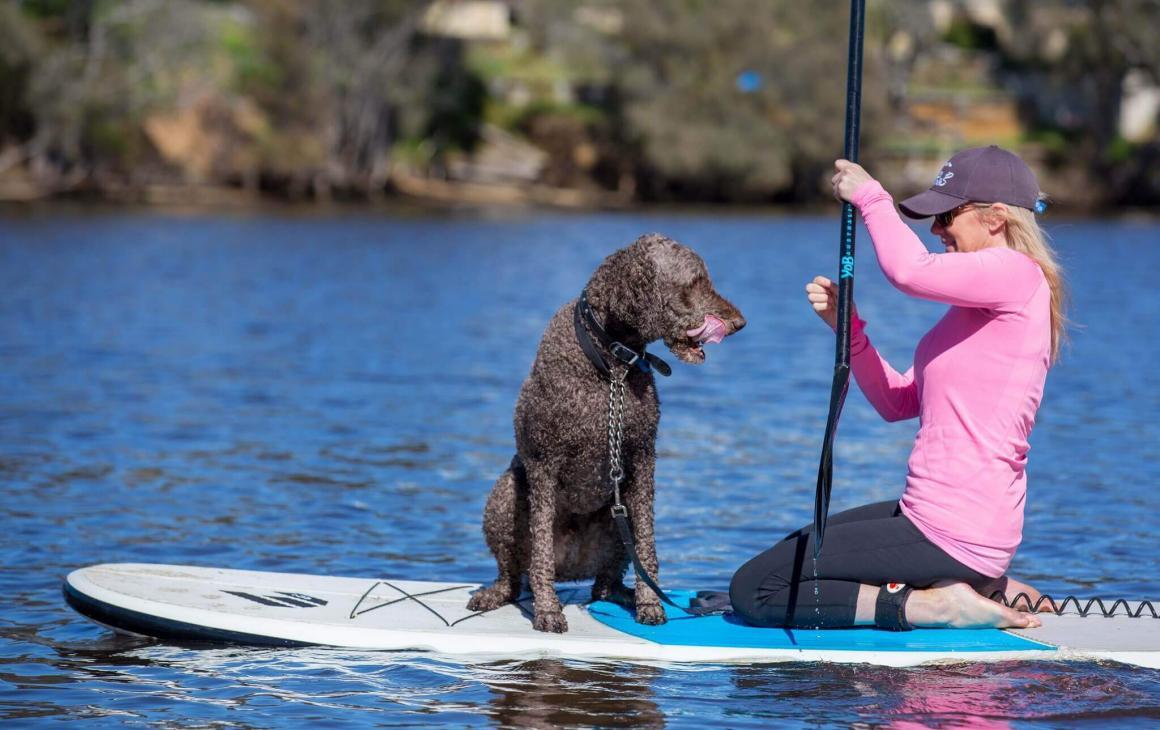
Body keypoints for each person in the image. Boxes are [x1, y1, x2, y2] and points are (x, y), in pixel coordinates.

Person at [730, 145, 1067, 631]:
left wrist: (870, 196)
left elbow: (908, 271)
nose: (934, 229)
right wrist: (850, 331)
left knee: (757, 588)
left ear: (996, 218)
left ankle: (935, 604)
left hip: (956, 529)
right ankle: (984, 584)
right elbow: (896, 402)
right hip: (937, 519)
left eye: (946, 214)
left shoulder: (1016, 274)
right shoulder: (975, 308)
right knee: (789, 555)